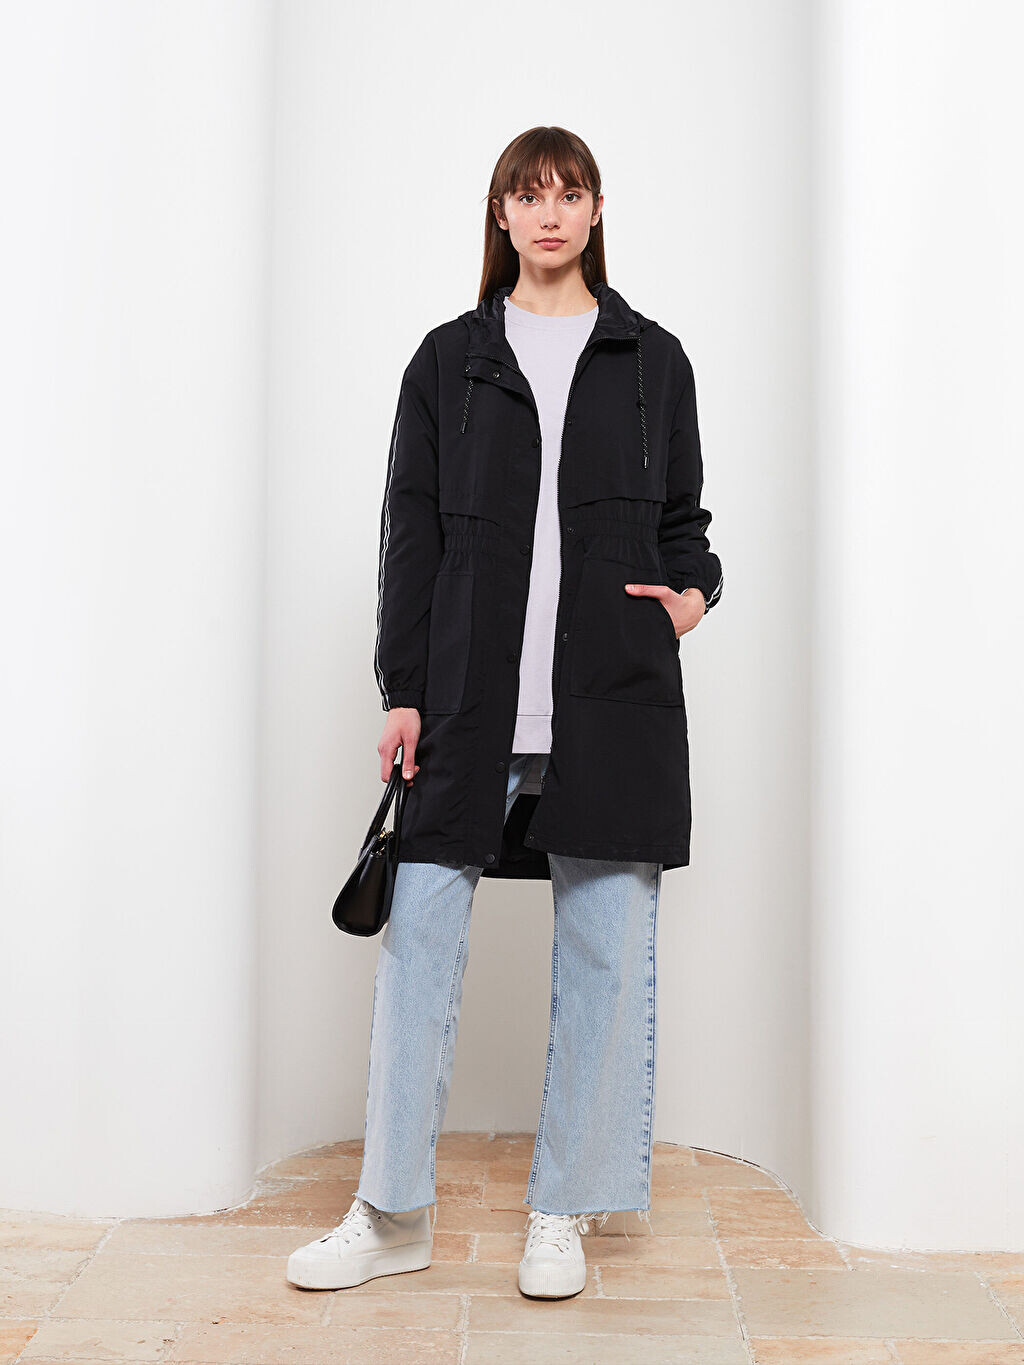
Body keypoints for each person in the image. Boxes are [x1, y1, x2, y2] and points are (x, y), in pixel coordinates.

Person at [288, 125, 724, 1300]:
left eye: (568, 193)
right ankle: (391, 1214)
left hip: (611, 698)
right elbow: (411, 535)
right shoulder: (449, 361)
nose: (548, 213)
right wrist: (402, 690)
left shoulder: (653, 359)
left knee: (603, 958)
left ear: (595, 211)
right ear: (500, 214)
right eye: (527, 195)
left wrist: (690, 596)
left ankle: (562, 1214)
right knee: (418, 947)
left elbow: (685, 522)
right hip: (469, 699)